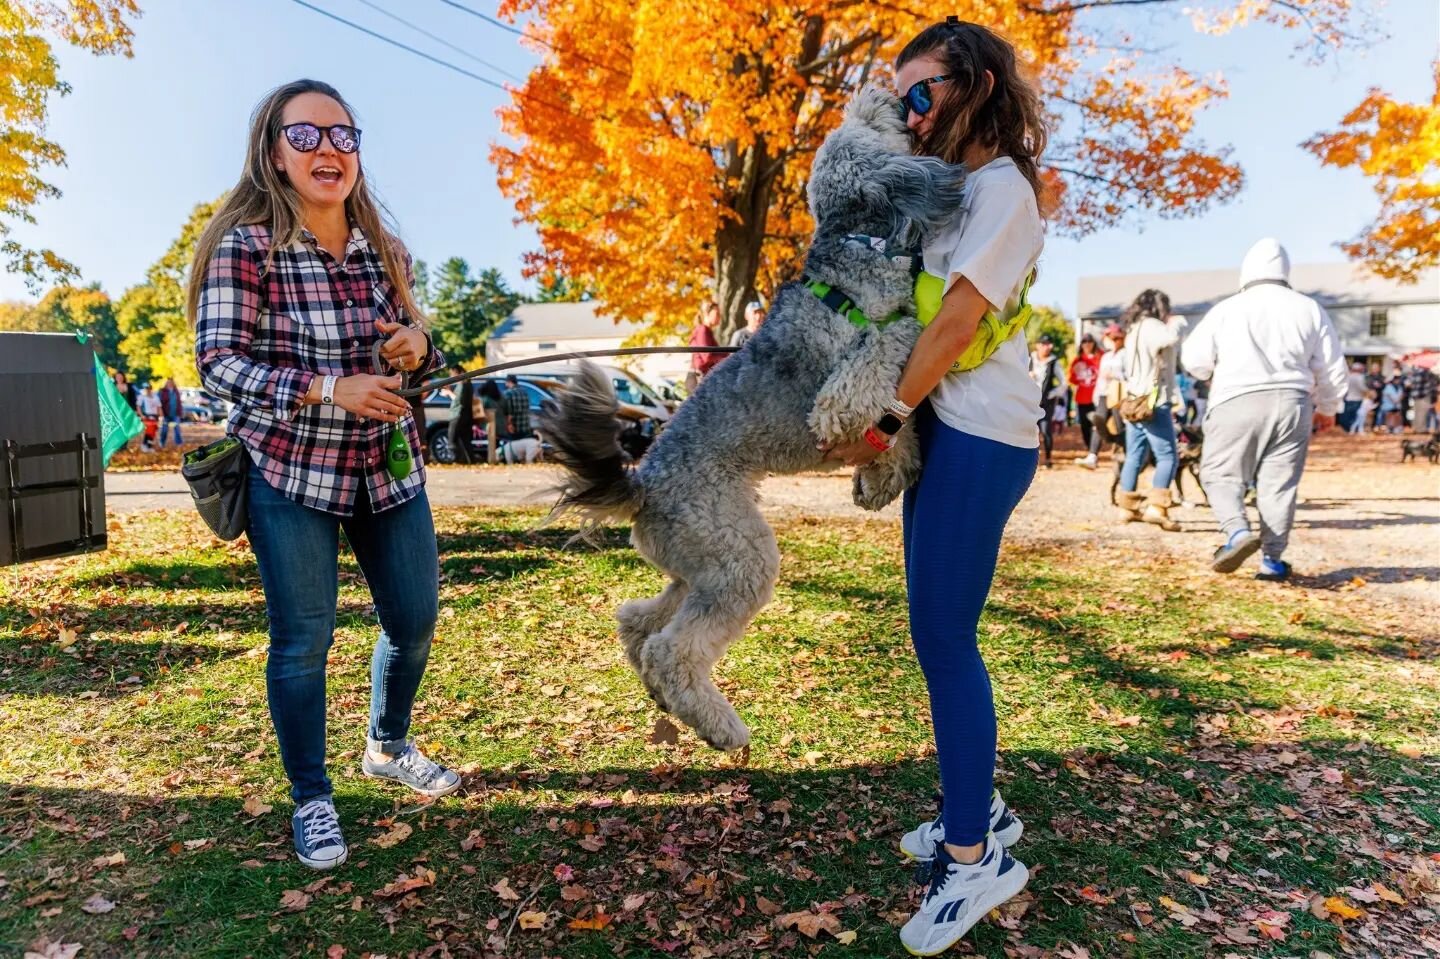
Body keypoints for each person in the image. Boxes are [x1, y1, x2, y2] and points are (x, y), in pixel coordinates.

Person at [189, 79, 460, 872]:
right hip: (291, 472)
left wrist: (417, 343)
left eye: (342, 135)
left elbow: (414, 345)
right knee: (303, 640)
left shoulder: (387, 247)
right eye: (304, 136)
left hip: (386, 469)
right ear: (273, 150)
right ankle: (312, 795)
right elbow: (217, 365)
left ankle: (387, 744)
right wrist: (324, 386)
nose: (327, 150)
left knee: (413, 620)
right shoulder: (248, 245)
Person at [819, 19, 1046, 952]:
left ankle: (973, 861)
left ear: (978, 83)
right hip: (946, 430)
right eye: (902, 97)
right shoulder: (956, 190)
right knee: (933, 631)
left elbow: (955, 323)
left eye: (923, 93)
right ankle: (977, 809)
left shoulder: (1003, 192)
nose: (912, 115)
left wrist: (882, 416)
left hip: (983, 434)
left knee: (945, 637)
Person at [1182, 237, 1348, 580]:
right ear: (1286, 271)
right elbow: (1331, 366)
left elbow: (1194, 360)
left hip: (1235, 399)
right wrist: (1329, 407)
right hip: (1293, 403)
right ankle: (1272, 561)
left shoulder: (1228, 308)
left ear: (1246, 271)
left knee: (1220, 474)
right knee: (1279, 484)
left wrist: (1211, 371)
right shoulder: (1308, 307)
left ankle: (1237, 533)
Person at [1115, 289, 1184, 531]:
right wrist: (1178, 323)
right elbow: (1167, 340)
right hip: (1153, 402)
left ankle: (1127, 507)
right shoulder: (1154, 326)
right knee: (1167, 456)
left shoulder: (1133, 329)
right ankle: (1157, 508)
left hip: (1134, 400)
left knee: (1134, 455)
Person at [1028, 333, 1063, 468]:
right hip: (1029, 401)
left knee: (1045, 430)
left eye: (1048, 344)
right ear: (1038, 345)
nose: (1046, 347)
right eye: (1043, 344)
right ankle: (1030, 460)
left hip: (1046, 404)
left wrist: (1051, 394)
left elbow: (1063, 383)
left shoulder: (1054, 362)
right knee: (1028, 430)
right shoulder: (1029, 359)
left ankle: (1048, 458)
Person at [1068, 333, 1100, 460]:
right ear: (1081, 345)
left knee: (1097, 424)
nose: (1087, 344)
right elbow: (1071, 378)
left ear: (1094, 343)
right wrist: (1080, 377)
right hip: (1082, 398)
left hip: (1097, 398)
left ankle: (1094, 452)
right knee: (1085, 427)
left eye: (1090, 341)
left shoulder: (1100, 357)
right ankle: (1090, 450)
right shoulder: (1078, 360)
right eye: (1084, 342)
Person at [685, 300, 722, 391]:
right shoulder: (703, 330)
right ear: (707, 314)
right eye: (717, 313)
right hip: (698, 378)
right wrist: (725, 356)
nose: (719, 317)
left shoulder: (707, 331)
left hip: (702, 377)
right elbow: (707, 356)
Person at [446, 365, 475, 464]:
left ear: (456, 372)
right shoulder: (468, 383)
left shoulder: (463, 383)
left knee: (452, 438)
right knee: (465, 439)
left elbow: (459, 400)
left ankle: (456, 460)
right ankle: (469, 460)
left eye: (451, 373)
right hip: (467, 415)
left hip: (458, 415)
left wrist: (449, 392)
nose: (450, 376)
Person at [501, 374, 532, 441]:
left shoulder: (508, 393)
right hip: (526, 427)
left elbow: (509, 413)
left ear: (509, 382)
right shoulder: (525, 392)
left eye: (506, 382)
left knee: (514, 449)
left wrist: (509, 425)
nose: (505, 383)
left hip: (514, 429)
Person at [157, 377, 184, 448]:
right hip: (165, 414)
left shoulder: (176, 391)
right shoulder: (162, 391)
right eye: (168, 382)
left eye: (171, 382)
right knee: (164, 430)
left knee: (177, 428)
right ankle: (162, 443)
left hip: (175, 414)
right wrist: (160, 413)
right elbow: (158, 402)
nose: (169, 383)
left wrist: (180, 412)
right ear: (166, 383)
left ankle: (179, 443)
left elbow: (179, 403)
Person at [1341, 361, 1367, 432]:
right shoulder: (1360, 377)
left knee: (1347, 415)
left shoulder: (1348, 377)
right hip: (1358, 399)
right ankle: (1353, 429)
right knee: (1355, 416)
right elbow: (1362, 388)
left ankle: (1348, 429)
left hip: (1348, 398)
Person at [137, 384, 162, 452]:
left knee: (153, 432)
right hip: (146, 416)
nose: (148, 390)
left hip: (155, 417)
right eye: (146, 388)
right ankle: (144, 445)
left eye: (149, 388)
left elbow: (159, 407)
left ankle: (149, 446)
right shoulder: (142, 397)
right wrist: (141, 415)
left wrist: (161, 416)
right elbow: (138, 407)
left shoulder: (156, 397)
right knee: (149, 431)